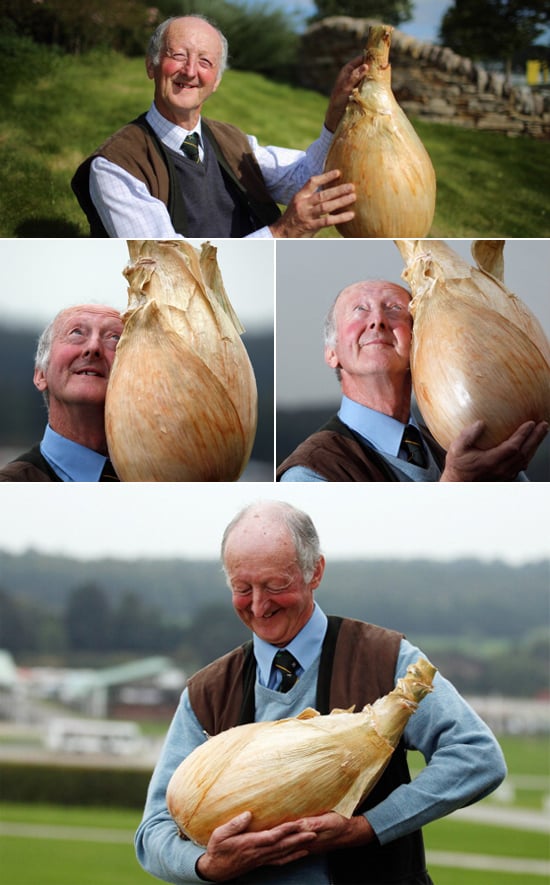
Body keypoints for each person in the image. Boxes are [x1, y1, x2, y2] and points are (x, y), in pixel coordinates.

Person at [135, 499, 507, 885]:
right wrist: (207, 866)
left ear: (316, 572)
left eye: (276, 585)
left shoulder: (385, 659)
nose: (259, 606)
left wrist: (365, 828)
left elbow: (477, 756)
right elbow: (154, 832)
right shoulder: (206, 693)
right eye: (242, 588)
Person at [71, 14, 362, 239]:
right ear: (152, 66)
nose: (190, 71)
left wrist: (335, 116)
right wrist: (282, 232)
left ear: (217, 81)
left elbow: (304, 179)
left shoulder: (233, 141)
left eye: (205, 62)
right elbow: (164, 264)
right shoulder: (117, 165)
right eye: (178, 55)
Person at [277, 280, 548, 481]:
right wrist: (459, 483)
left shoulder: (460, 439)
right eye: (359, 310)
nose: (378, 321)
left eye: (395, 309)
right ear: (331, 352)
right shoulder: (310, 472)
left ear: (421, 341)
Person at [0, 304, 123, 482]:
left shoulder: (168, 481)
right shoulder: (9, 493)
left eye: (115, 337)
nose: (94, 347)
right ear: (41, 374)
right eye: (77, 333)